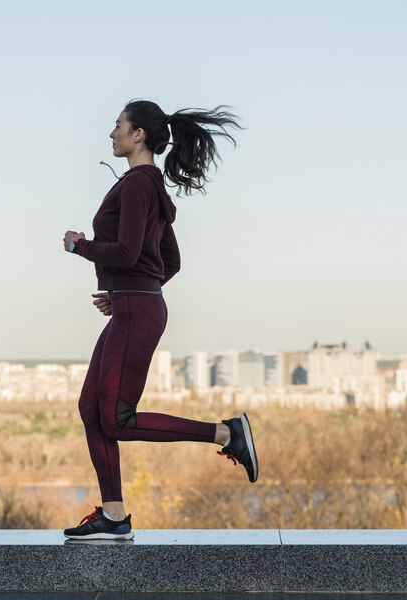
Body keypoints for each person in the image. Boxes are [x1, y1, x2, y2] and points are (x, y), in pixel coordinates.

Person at [62, 99, 256, 540]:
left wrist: (80, 245)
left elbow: (129, 253)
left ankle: (226, 434)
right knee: (92, 410)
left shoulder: (136, 185)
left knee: (116, 418)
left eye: (117, 126)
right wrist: (133, 290)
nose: (111, 134)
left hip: (137, 310)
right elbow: (171, 260)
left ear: (138, 135)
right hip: (136, 306)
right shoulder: (152, 187)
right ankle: (113, 516)